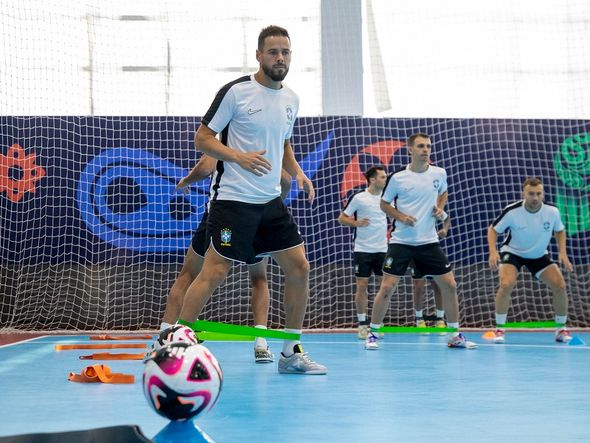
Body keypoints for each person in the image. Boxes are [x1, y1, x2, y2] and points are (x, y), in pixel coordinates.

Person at [173, 25, 326, 375]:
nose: (280, 58)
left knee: (299, 267)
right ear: (259, 55)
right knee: (215, 270)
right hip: (233, 200)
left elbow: (284, 142)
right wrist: (237, 157)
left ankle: (291, 352)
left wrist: (297, 172)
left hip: (270, 202)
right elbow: (203, 138)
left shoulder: (292, 99)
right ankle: (177, 343)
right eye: (273, 52)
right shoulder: (236, 92)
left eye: (285, 52)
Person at [160, 154, 292, 363]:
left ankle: (165, 338)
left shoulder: (227, 138)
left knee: (190, 274)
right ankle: (261, 342)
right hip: (258, 219)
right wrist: (273, 209)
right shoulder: (267, 148)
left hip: (223, 216)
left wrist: (186, 181)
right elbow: (286, 180)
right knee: (259, 278)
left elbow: (205, 166)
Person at [365, 133, 476, 350]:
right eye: (420, 146)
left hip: (429, 242)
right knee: (387, 287)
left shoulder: (439, 173)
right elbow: (384, 204)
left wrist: (440, 207)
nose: (425, 150)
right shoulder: (398, 178)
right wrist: (401, 217)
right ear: (410, 150)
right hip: (401, 242)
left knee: (450, 285)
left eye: (428, 146)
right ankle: (373, 333)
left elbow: (443, 192)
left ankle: (454, 335)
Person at [487, 177, 574, 343]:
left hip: (538, 255)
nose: (535, 198)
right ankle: (499, 329)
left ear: (543, 194)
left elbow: (560, 231)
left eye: (538, 194)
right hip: (513, 253)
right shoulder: (512, 211)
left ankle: (561, 329)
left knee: (560, 285)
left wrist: (562, 252)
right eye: (531, 194)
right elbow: (493, 229)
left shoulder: (552, 212)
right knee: (506, 284)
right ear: (524, 194)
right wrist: (492, 252)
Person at [338, 166, 388, 340]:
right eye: (382, 177)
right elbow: (342, 218)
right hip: (363, 249)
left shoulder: (387, 198)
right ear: (372, 179)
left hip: (383, 249)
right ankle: (362, 324)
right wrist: (357, 224)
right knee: (362, 286)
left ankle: (377, 324)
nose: (385, 179)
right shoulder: (359, 198)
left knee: (385, 288)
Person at [410, 215, 451, 332]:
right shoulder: (410, 208)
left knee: (438, 286)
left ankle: (440, 319)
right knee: (418, 287)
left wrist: (445, 229)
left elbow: (447, 218)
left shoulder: (432, 208)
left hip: (431, 250)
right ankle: (419, 319)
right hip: (415, 250)